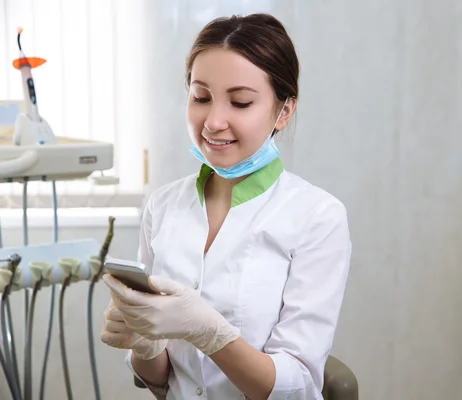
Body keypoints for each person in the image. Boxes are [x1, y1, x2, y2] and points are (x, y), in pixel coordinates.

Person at [100, 13, 352, 400]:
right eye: (201, 97)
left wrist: (210, 333)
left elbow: (298, 387)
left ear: (283, 111)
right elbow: (162, 381)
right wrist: (144, 343)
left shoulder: (317, 217)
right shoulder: (163, 207)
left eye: (240, 102)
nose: (214, 121)